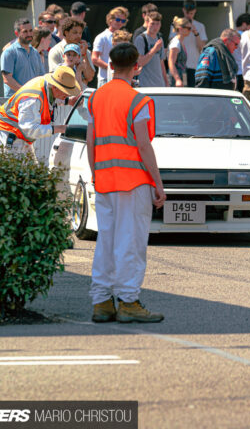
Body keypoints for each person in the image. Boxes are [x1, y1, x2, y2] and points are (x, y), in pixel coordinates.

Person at [86, 42, 166, 323]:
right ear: (136, 66)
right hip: (133, 182)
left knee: (106, 242)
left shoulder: (96, 98)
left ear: (110, 64)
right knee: (130, 243)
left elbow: (91, 140)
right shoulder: (138, 101)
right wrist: (158, 184)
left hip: (105, 181)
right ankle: (129, 302)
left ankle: (102, 302)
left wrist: (95, 174)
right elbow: (143, 145)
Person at [0, 65, 79, 154]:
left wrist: (68, 101)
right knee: (14, 165)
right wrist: (60, 128)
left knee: (29, 166)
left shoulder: (47, 86)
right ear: (55, 87)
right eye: (66, 92)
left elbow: (48, 98)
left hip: (19, 130)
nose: (68, 95)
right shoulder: (32, 99)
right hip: (8, 130)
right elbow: (30, 129)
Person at [0, 18, 44, 97]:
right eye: (25, 32)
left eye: (31, 31)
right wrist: (27, 92)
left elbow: (41, 78)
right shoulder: (9, 52)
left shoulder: (36, 53)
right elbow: (7, 79)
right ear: (17, 33)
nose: (29, 34)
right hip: (15, 103)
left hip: (33, 101)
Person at [168, 0, 207, 86]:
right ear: (183, 10)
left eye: (191, 13)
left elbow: (202, 48)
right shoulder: (177, 26)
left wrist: (196, 33)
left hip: (193, 65)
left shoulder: (200, 26)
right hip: (180, 66)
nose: (189, 16)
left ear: (195, 11)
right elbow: (172, 47)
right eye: (187, 13)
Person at [48, 17, 95, 86]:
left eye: (80, 33)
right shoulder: (55, 51)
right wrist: (79, 76)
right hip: (63, 94)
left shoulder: (85, 50)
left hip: (82, 93)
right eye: (75, 33)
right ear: (66, 33)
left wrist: (84, 55)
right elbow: (56, 77)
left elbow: (90, 77)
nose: (78, 36)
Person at [92, 6, 129, 87]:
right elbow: (94, 59)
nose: (120, 23)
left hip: (121, 79)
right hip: (105, 79)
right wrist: (112, 68)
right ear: (110, 19)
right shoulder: (102, 37)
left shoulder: (125, 37)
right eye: (118, 20)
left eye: (123, 21)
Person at [134, 11, 167, 87]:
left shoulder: (159, 39)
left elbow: (161, 62)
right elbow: (140, 62)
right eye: (152, 24)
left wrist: (166, 82)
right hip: (145, 84)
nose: (155, 27)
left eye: (157, 24)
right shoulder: (141, 39)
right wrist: (154, 49)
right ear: (147, 23)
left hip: (159, 84)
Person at [168, 16, 191, 87]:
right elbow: (171, 62)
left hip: (182, 77)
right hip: (175, 81)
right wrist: (177, 79)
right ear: (181, 29)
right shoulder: (176, 43)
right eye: (188, 28)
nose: (190, 30)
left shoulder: (180, 42)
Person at [234, 13, 250, 93]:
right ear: (244, 24)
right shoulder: (246, 36)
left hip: (234, 72)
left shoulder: (231, 35)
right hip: (244, 73)